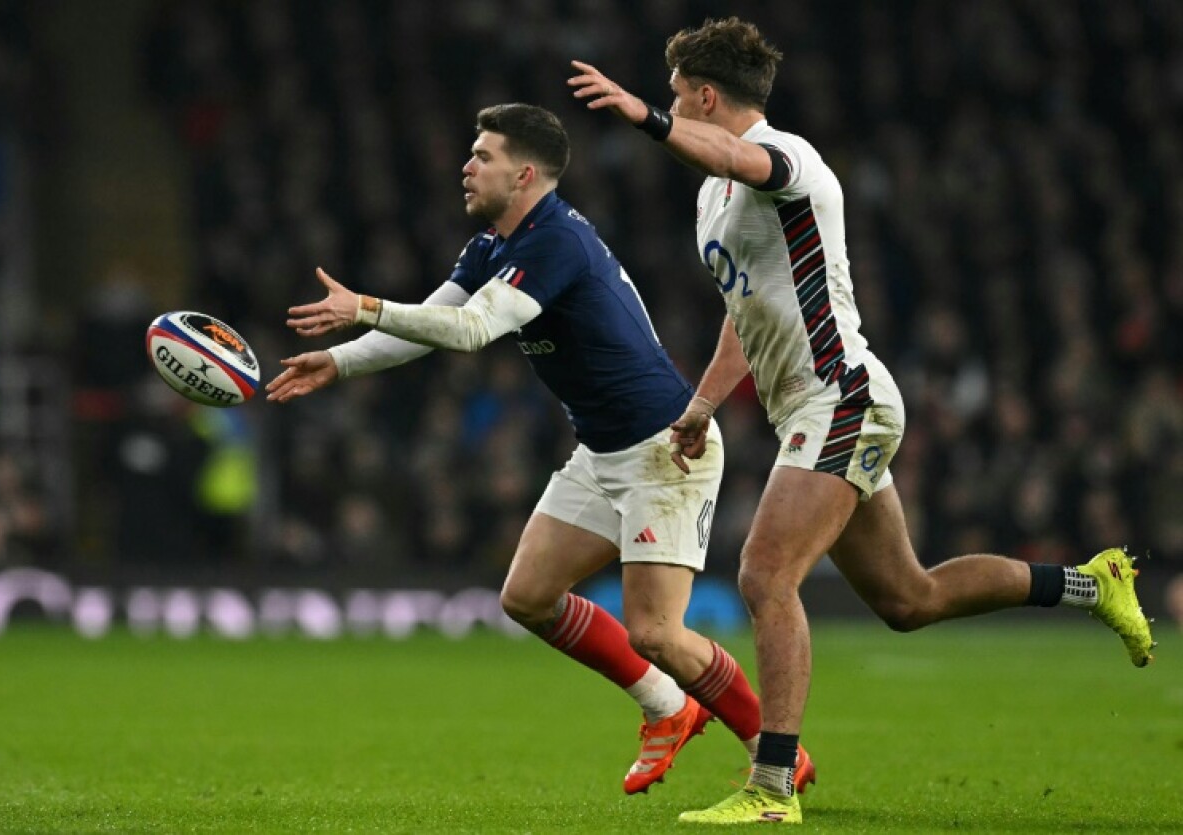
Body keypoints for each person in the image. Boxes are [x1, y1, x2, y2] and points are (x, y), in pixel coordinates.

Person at [569, 17, 1156, 825]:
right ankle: (1096, 582)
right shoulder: (714, 198)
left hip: (842, 396)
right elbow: (745, 311)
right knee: (909, 598)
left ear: (704, 97)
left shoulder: (789, 157)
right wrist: (703, 405)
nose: (669, 106)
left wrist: (642, 115)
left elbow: (738, 155)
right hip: (812, 409)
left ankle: (772, 787)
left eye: (677, 96)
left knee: (765, 573)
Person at [265, 103, 815, 796]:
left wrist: (366, 306)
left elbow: (470, 331)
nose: (467, 165)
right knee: (527, 595)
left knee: (656, 632)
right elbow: (431, 322)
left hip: (663, 449)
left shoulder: (555, 240)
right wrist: (339, 362)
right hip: (604, 450)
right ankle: (667, 707)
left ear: (525, 174)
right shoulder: (495, 243)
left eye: (483, 155)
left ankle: (777, 752)